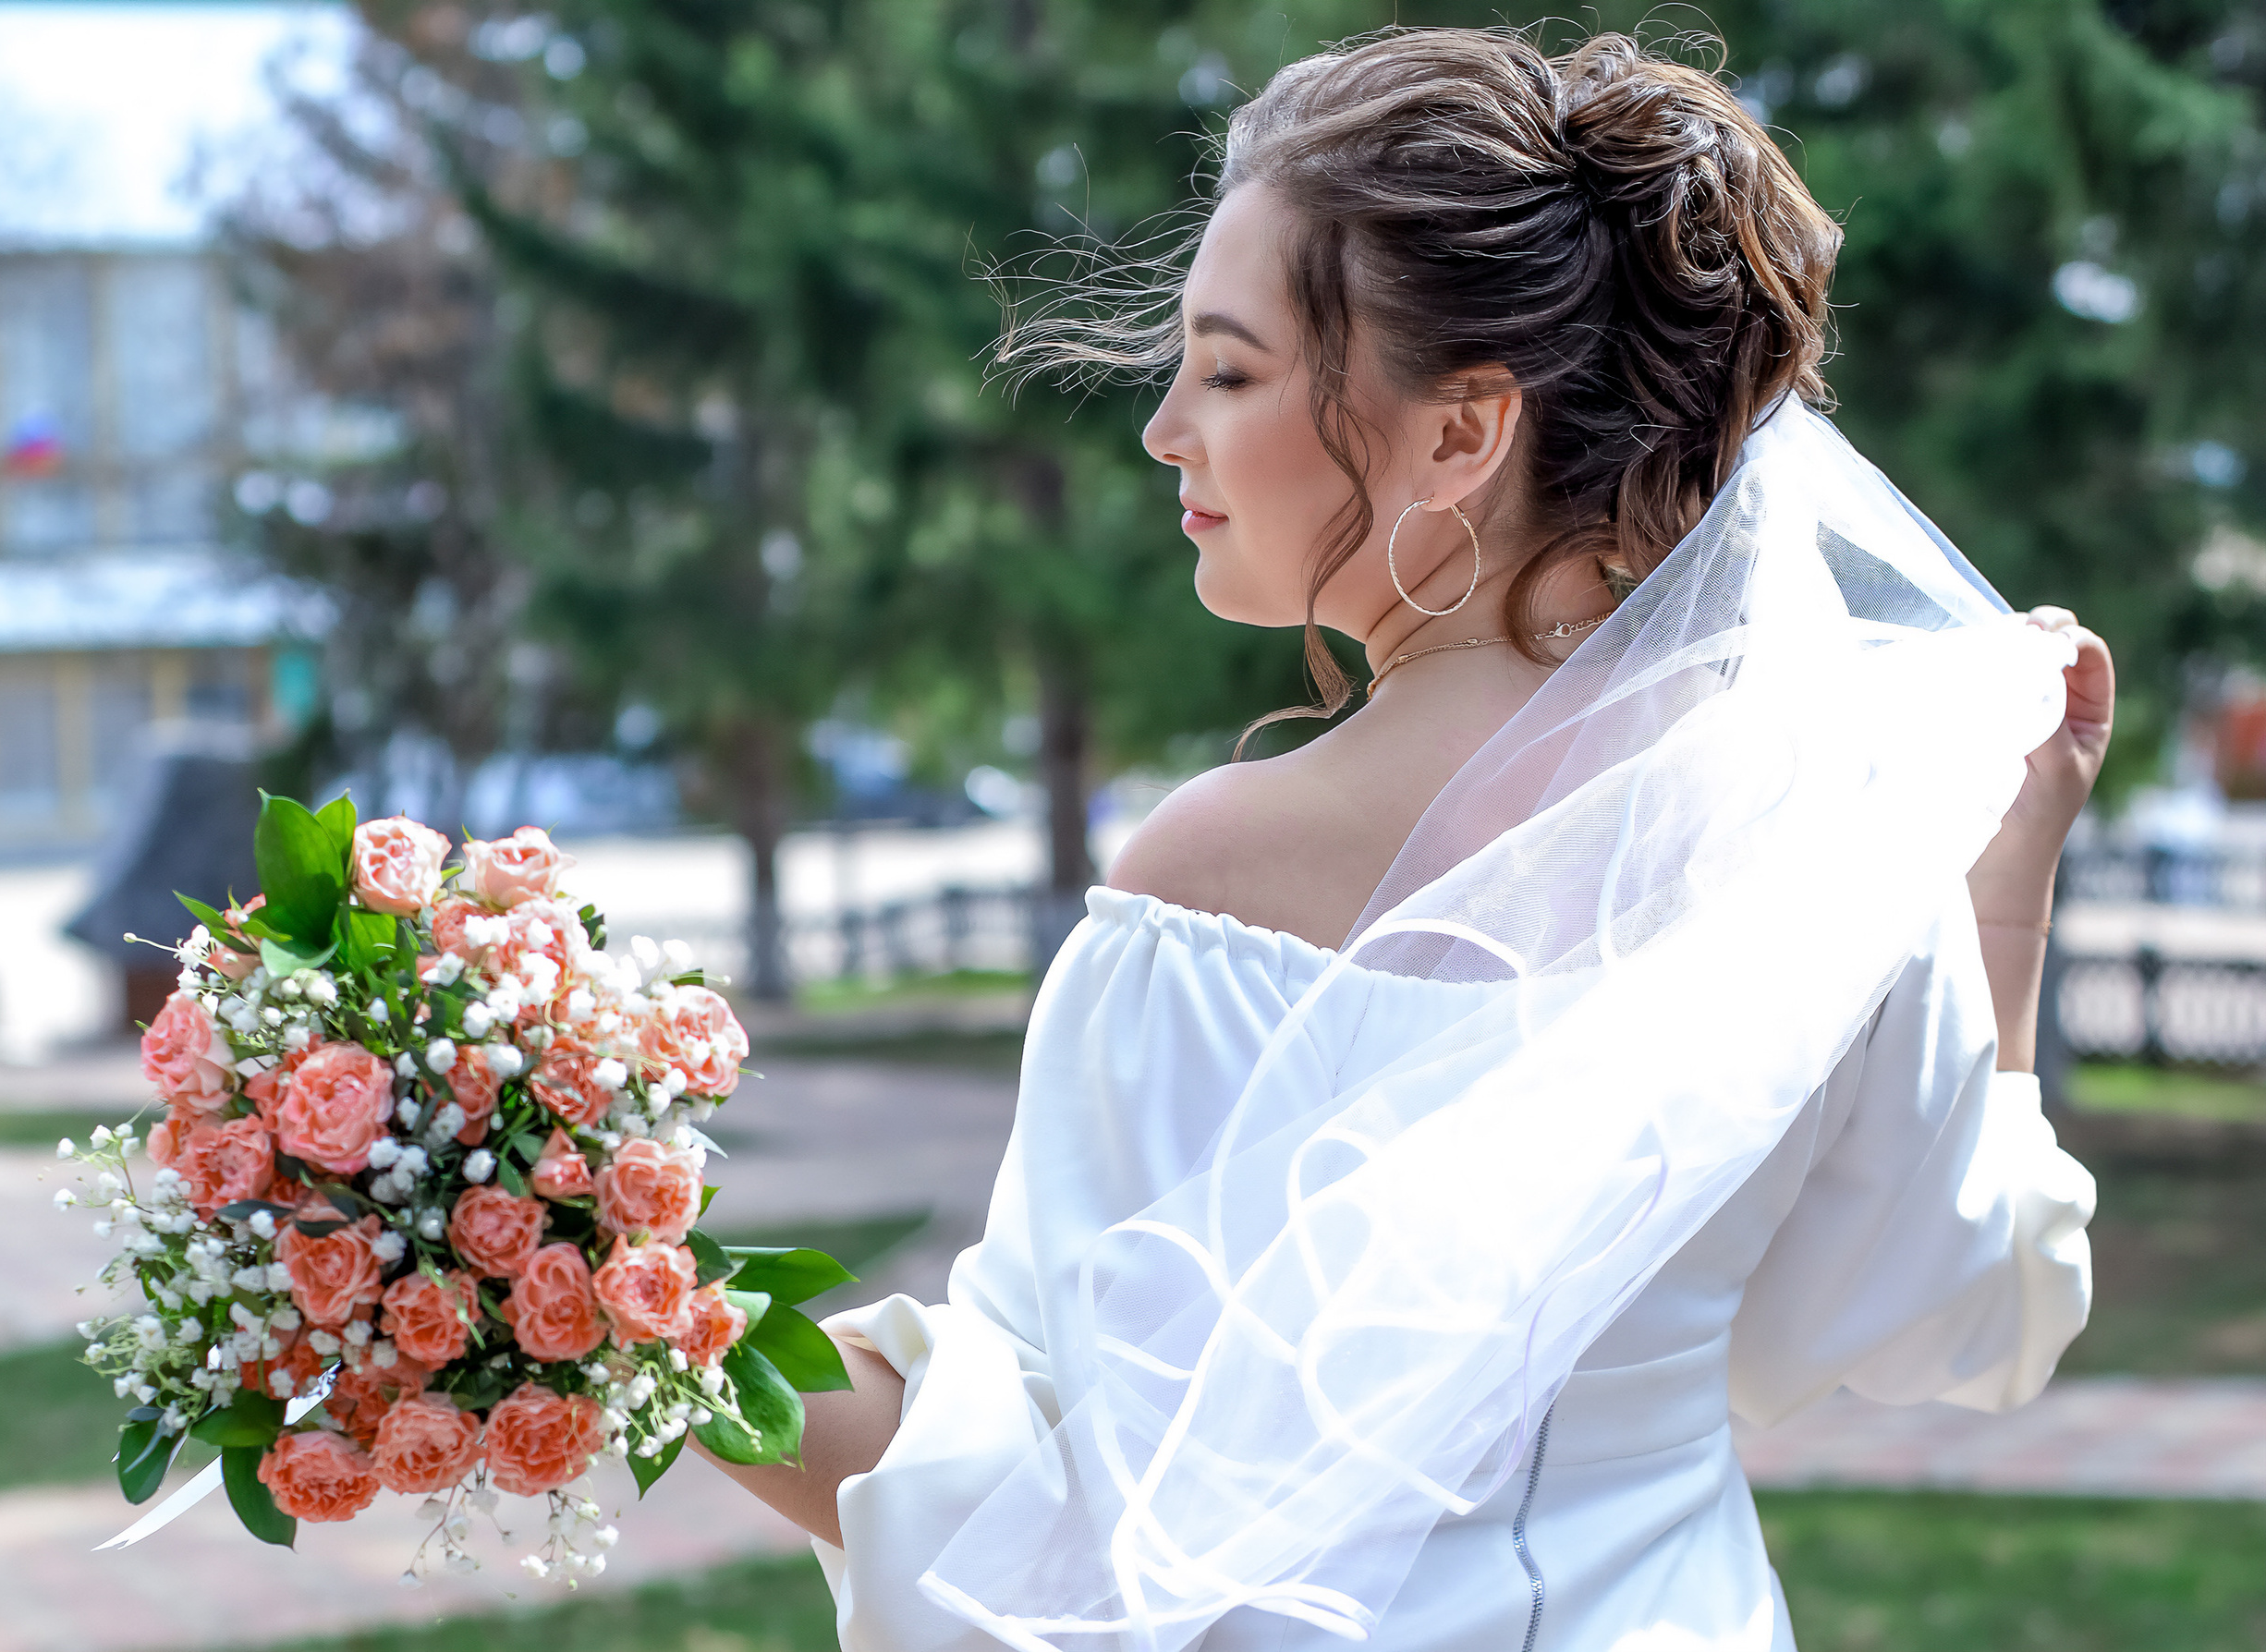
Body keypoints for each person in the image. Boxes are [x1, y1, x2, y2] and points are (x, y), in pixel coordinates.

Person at [700, 30, 2111, 1652]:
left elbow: (1038, 1518)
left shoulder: (1214, 894)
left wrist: (601, 1303)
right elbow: (1977, 1312)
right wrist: (2006, 888)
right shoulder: (1821, 848)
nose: (1166, 430)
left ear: (1461, 433)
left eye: (1226, 371)